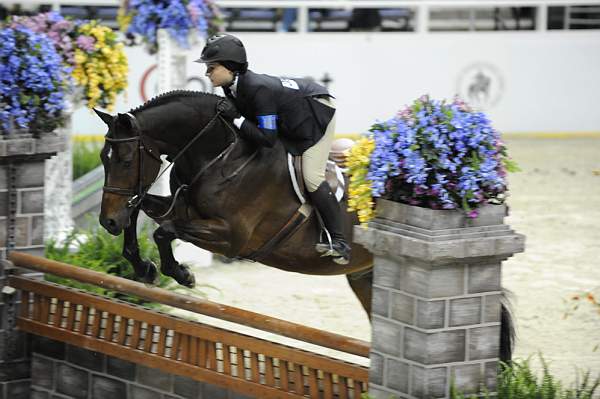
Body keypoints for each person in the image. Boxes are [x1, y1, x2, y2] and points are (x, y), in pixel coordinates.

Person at [195, 33, 350, 264]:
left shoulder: (257, 89)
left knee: (311, 177)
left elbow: (267, 138)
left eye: (211, 67)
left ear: (229, 67)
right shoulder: (230, 86)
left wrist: (236, 118)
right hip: (293, 116)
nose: (207, 73)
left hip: (317, 113)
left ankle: (339, 241)